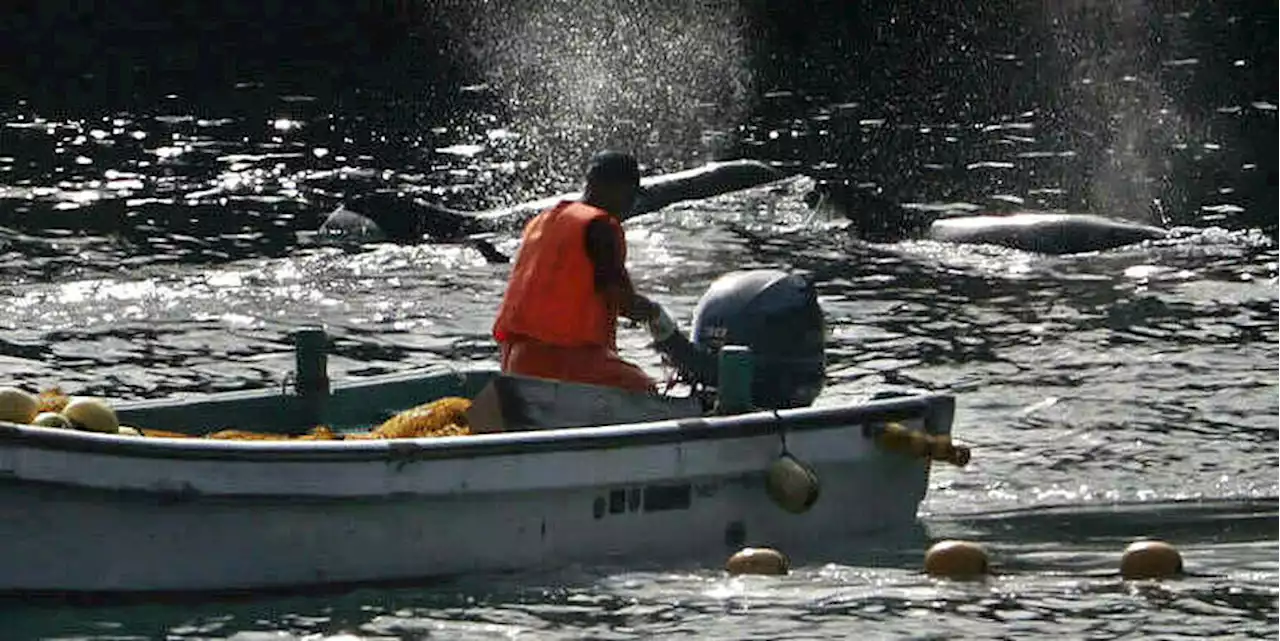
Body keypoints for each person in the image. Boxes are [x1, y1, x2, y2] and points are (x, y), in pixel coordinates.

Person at [491, 151, 678, 393]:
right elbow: (623, 301)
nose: (630, 205)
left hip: (515, 360)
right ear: (611, 188)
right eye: (630, 195)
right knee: (644, 392)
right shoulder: (600, 227)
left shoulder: (543, 221)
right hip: (563, 360)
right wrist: (658, 317)